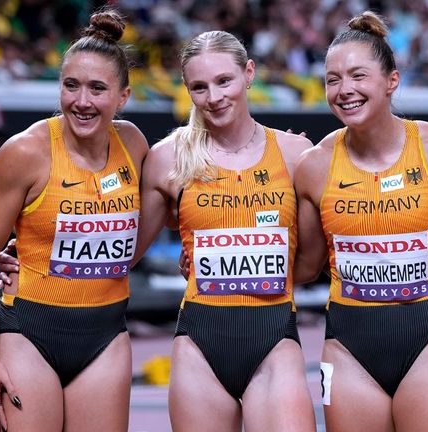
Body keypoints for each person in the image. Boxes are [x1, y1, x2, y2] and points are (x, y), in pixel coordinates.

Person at [293, 12, 428, 431]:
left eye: (358, 76)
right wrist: (221, 249)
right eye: (333, 79)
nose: (345, 90)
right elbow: (306, 267)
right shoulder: (314, 166)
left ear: (391, 81)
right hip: (348, 343)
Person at [0, 9, 147, 432]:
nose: (81, 101)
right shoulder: (24, 152)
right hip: (29, 334)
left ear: (123, 96)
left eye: (97, 89)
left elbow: (170, 208)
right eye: (71, 86)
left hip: (105, 336)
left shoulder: (134, 144)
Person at [136, 30, 317, 431]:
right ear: (186, 89)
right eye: (199, 87)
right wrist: (26, 255)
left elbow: (326, 248)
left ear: (249, 73)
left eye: (224, 81)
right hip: (199, 342)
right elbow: (125, 250)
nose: (213, 97)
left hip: (273, 337)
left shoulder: (296, 154)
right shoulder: (166, 158)